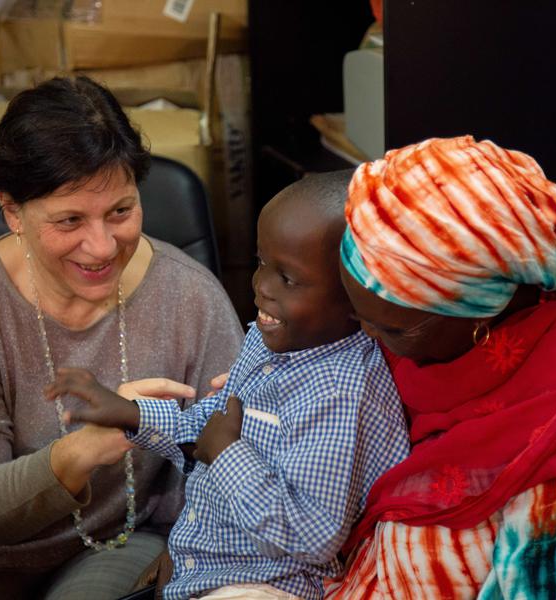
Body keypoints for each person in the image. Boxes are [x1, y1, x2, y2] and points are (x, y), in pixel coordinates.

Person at [0, 76, 245, 600]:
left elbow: (234, 472)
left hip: (115, 543)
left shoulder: (190, 298)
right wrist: (82, 450)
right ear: (13, 212)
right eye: (70, 220)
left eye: (120, 211)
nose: (102, 247)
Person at [324, 136, 556, 600]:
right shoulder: (438, 352)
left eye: (392, 328)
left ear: (480, 312)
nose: (368, 338)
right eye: (357, 315)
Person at [46, 171, 411, 600]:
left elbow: (313, 538)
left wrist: (227, 453)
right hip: (203, 569)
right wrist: (133, 413)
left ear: (358, 299)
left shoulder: (341, 394)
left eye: (288, 279)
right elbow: (214, 425)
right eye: (261, 264)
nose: (260, 288)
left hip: (271, 585)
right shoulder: (269, 339)